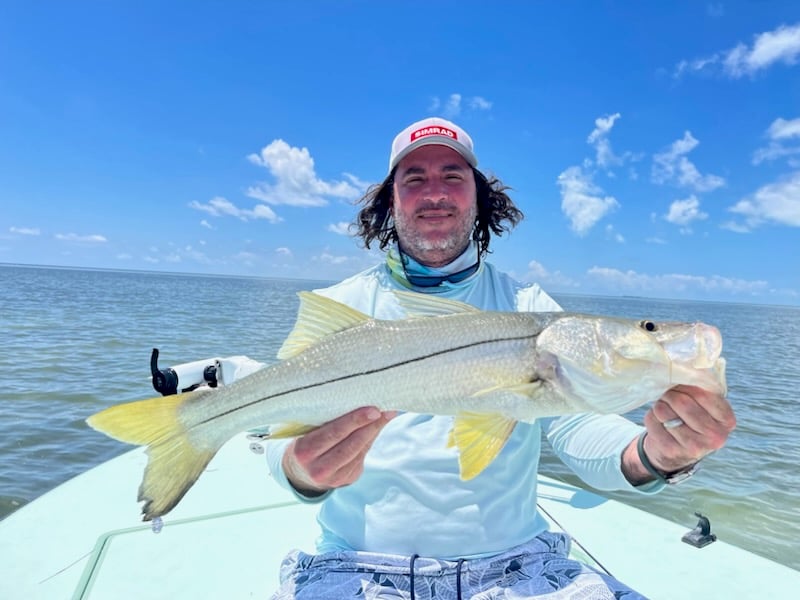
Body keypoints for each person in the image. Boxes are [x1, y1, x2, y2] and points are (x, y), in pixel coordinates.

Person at [264, 117, 737, 599]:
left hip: (517, 567)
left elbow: (576, 427)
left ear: (478, 197)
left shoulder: (529, 307)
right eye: (414, 179)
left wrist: (659, 455)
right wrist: (301, 470)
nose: (435, 193)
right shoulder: (342, 308)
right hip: (357, 565)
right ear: (391, 201)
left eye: (453, 176)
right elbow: (279, 431)